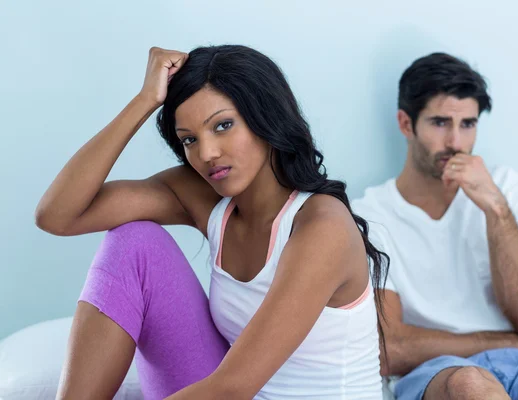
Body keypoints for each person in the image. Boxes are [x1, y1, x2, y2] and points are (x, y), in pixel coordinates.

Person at [35, 45, 388, 400]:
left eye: (223, 125)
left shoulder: (322, 226)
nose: (206, 154)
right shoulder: (207, 200)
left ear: (265, 117)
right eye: (189, 139)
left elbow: (233, 387)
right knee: (135, 242)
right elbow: (58, 215)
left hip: (234, 392)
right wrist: (144, 101)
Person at [351, 52, 518, 400]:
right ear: (406, 124)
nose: (455, 142)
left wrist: (494, 208)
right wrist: (511, 341)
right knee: (470, 385)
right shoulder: (370, 215)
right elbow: (389, 347)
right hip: (438, 367)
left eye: (468, 124)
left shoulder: (508, 188)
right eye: (440, 123)